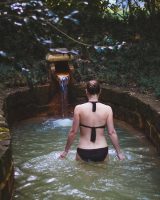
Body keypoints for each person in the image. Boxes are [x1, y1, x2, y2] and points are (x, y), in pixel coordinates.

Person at [60, 80, 125, 162]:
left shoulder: (79, 108)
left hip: (83, 149)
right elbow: (111, 132)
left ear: (86, 91)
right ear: (100, 91)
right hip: (102, 150)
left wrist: (66, 151)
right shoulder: (108, 109)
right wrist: (119, 152)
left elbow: (73, 132)